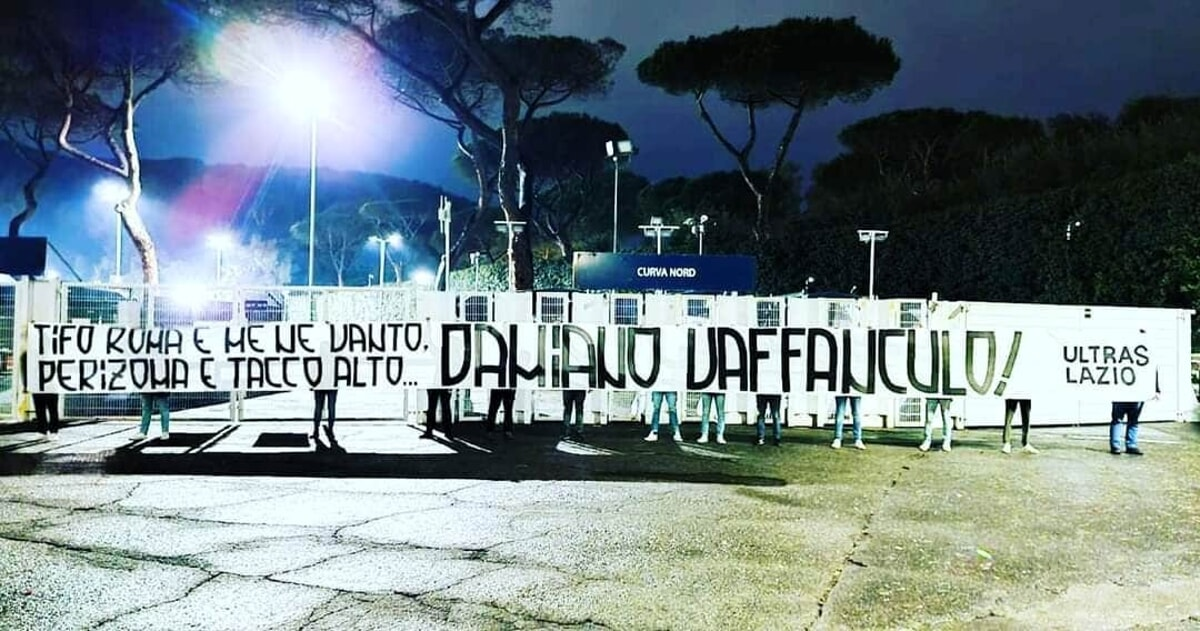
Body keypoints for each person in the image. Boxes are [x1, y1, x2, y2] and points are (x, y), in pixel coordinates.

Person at [20, 351, 60, 439]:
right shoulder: (27, 355)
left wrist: (26, 385)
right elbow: (25, 370)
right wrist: (26, 385)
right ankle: (45, 430)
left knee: (50, 408)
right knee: (42, 408)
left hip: (49, 384)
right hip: (39, 384)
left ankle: (50, 431)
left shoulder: (51, 353)